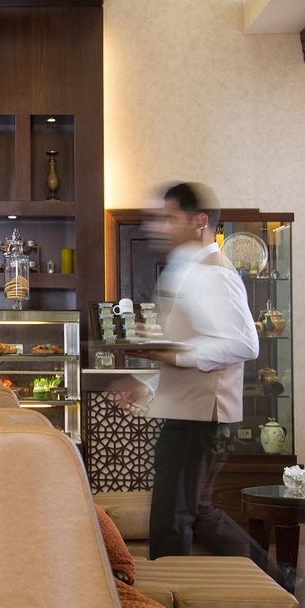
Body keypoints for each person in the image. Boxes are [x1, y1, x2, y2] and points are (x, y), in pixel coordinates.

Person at [122, 183, 262, 562]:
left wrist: (176, 355)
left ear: (199, 221)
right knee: (194, 514)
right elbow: (191, 343)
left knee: (172, 518)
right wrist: (150, 382)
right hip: (190, 412)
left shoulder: (214, 274)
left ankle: (168, 596)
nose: (159, 227)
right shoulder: (187, 269)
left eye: (170, 218)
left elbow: (244, 344)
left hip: (201, 417)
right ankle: (282, 580)